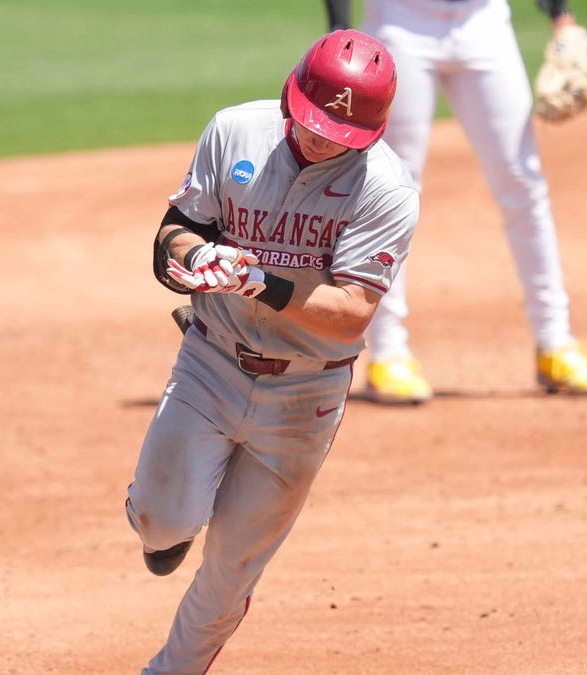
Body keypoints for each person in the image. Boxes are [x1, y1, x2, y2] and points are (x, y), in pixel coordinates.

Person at [126, 29, 419, 673]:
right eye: (315, 124)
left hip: (305, 394)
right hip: (211, 360)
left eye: (342, 135)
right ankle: (164, 527)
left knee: (231, 568)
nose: (322, 140)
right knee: (158, 521)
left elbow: (351, 314)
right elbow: (173, 233)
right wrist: (197, 256)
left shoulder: (387, 189)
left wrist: (259, 279)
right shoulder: (236, 132)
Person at [323, 0, 587, 403]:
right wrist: (341, 31)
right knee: (392, 190)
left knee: (523, 182)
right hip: (400, 21)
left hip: (484, 23)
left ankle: (556, 342)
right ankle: (388, 353)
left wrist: (562, 18)